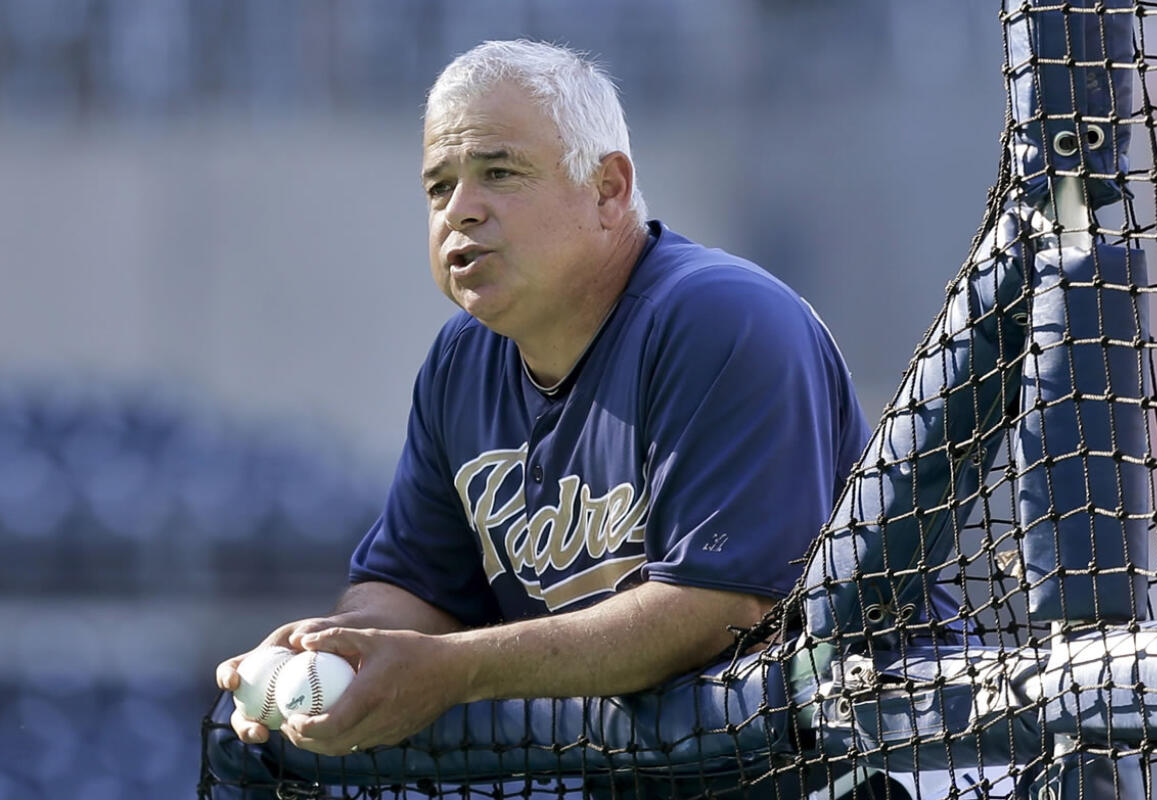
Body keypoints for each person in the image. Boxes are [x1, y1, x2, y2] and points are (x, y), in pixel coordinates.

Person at [207, 38, 870, 794]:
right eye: (437, 187)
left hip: (862, 768)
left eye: (498, 172)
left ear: (608, 190)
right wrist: (339, 646)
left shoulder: (721, 318)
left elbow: (721, 607)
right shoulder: (463, 364)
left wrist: (452, 671)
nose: (459, 209)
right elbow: (416, 589)